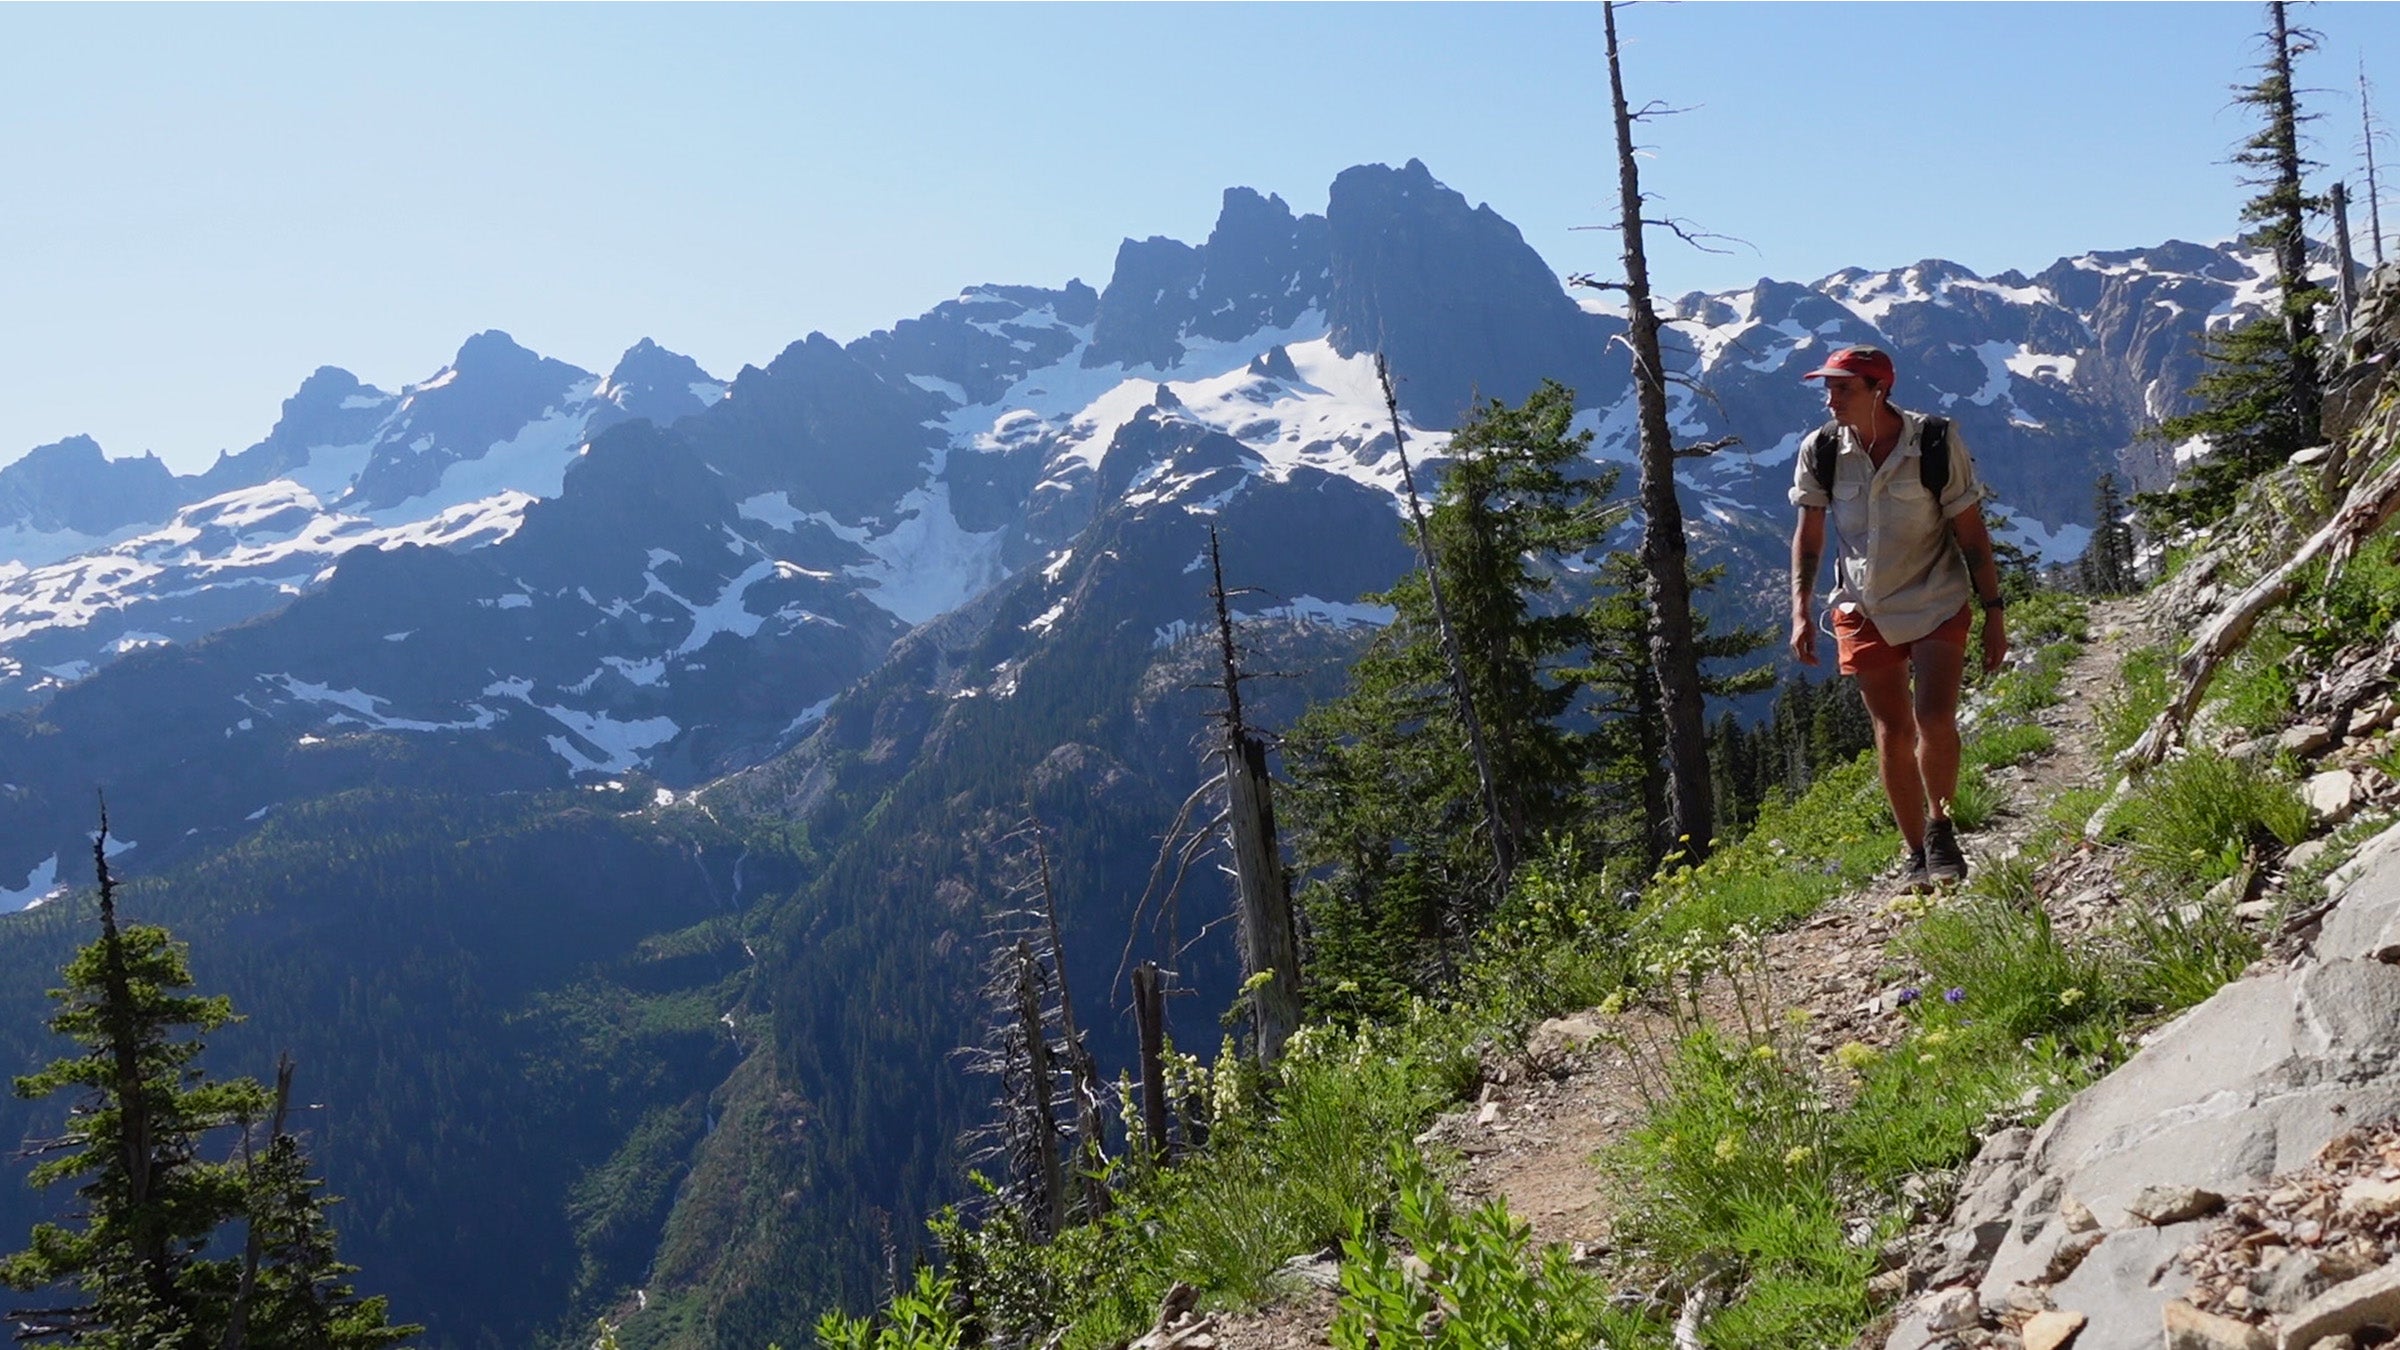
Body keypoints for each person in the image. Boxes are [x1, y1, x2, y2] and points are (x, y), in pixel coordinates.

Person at [1787, 345, 2008, 887]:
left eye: (1843, 388)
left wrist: (1994, 612)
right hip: (1862, 607)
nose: (1830, 398)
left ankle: (1942, 829)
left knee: (1934, 719)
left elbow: (1971, 529)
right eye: (1828, 387)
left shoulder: (1933, 440)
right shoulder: (1820, 449)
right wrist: (1799, 608)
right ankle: (1916, 855)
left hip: (1935, 596)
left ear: (1878, 389)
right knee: (1891, 729)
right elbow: (1810, 532)